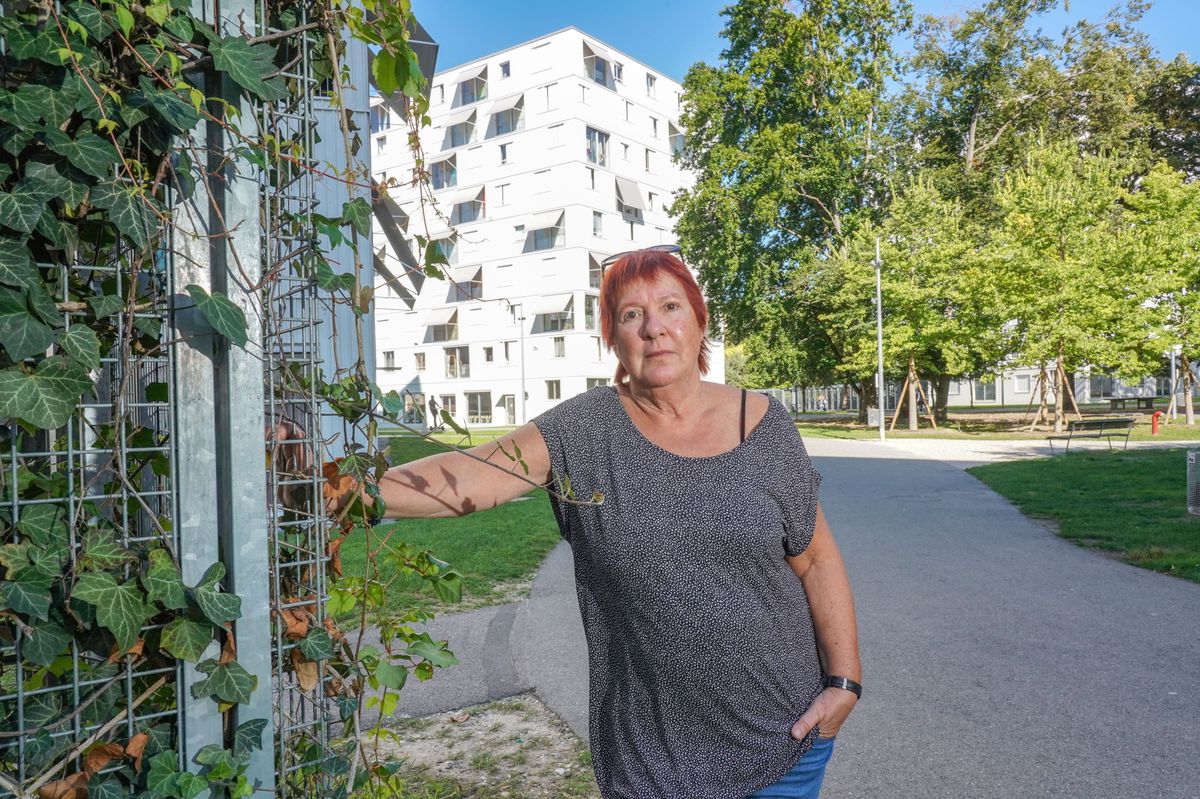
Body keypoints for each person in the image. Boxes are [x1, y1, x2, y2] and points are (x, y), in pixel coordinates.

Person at [361, 245, 861, 798]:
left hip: (783, 741)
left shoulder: (764, 421)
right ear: (614, 339)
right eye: (630, 314)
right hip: (652, 759)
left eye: (670, 307)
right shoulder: (586, 429)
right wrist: (352, 487)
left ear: (700, 321)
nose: (654, 328)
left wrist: (844, 683)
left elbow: (816, 558)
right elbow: (473, 474)